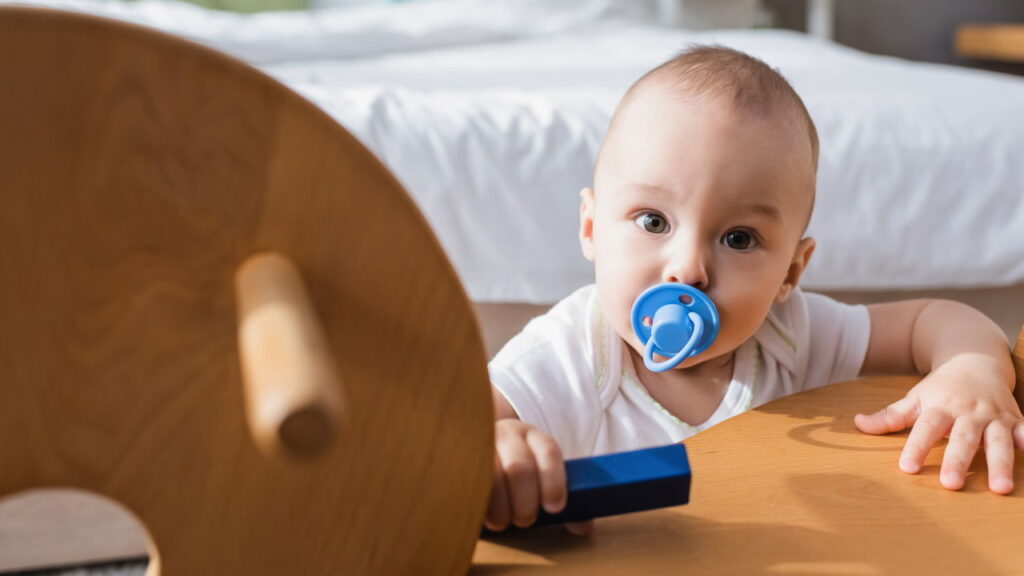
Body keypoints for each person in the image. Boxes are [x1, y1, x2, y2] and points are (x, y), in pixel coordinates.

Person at [483, 46, 1024, 535]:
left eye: (738, 238)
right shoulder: (572, 354)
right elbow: (453, 424)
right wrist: (496, 450)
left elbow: (937, 319)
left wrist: (971, 370)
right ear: (591, 229)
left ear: (791, 271)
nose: (689, 270)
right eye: (652, 221)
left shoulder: (791, 336)